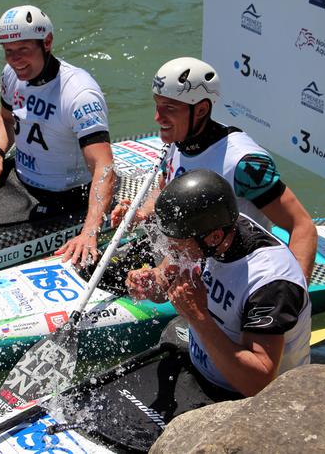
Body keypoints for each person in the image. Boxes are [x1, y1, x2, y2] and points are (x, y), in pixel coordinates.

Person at [111, 57, 317, 282]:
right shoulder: (177, 141)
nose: (158, 117)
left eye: (169, 108)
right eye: (157, 104)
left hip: (238, 275)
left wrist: (294, 295)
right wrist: (143, 213)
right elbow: (164, 188)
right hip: (192, 253)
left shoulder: (244, 162)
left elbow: (302, 226)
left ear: (200, 110)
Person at [126, 169, 312, 397]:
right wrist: (149, 283)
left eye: (176, 244)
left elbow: (259, 383)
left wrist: (198, 317)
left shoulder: (271, 282)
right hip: (201, 366)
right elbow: (162, 284)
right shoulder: (203, 233)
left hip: (250, 398)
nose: (170, 250)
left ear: (213, 238)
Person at [0, 5, 114, 266]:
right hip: (20, 181)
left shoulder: (79, 93)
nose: (15, 60)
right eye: (8, 52)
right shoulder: (12, 75)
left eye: (23, 49)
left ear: (47, 42)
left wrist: (89, 232)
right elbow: (5, 117)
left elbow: (104, 168)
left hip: (66, 197)